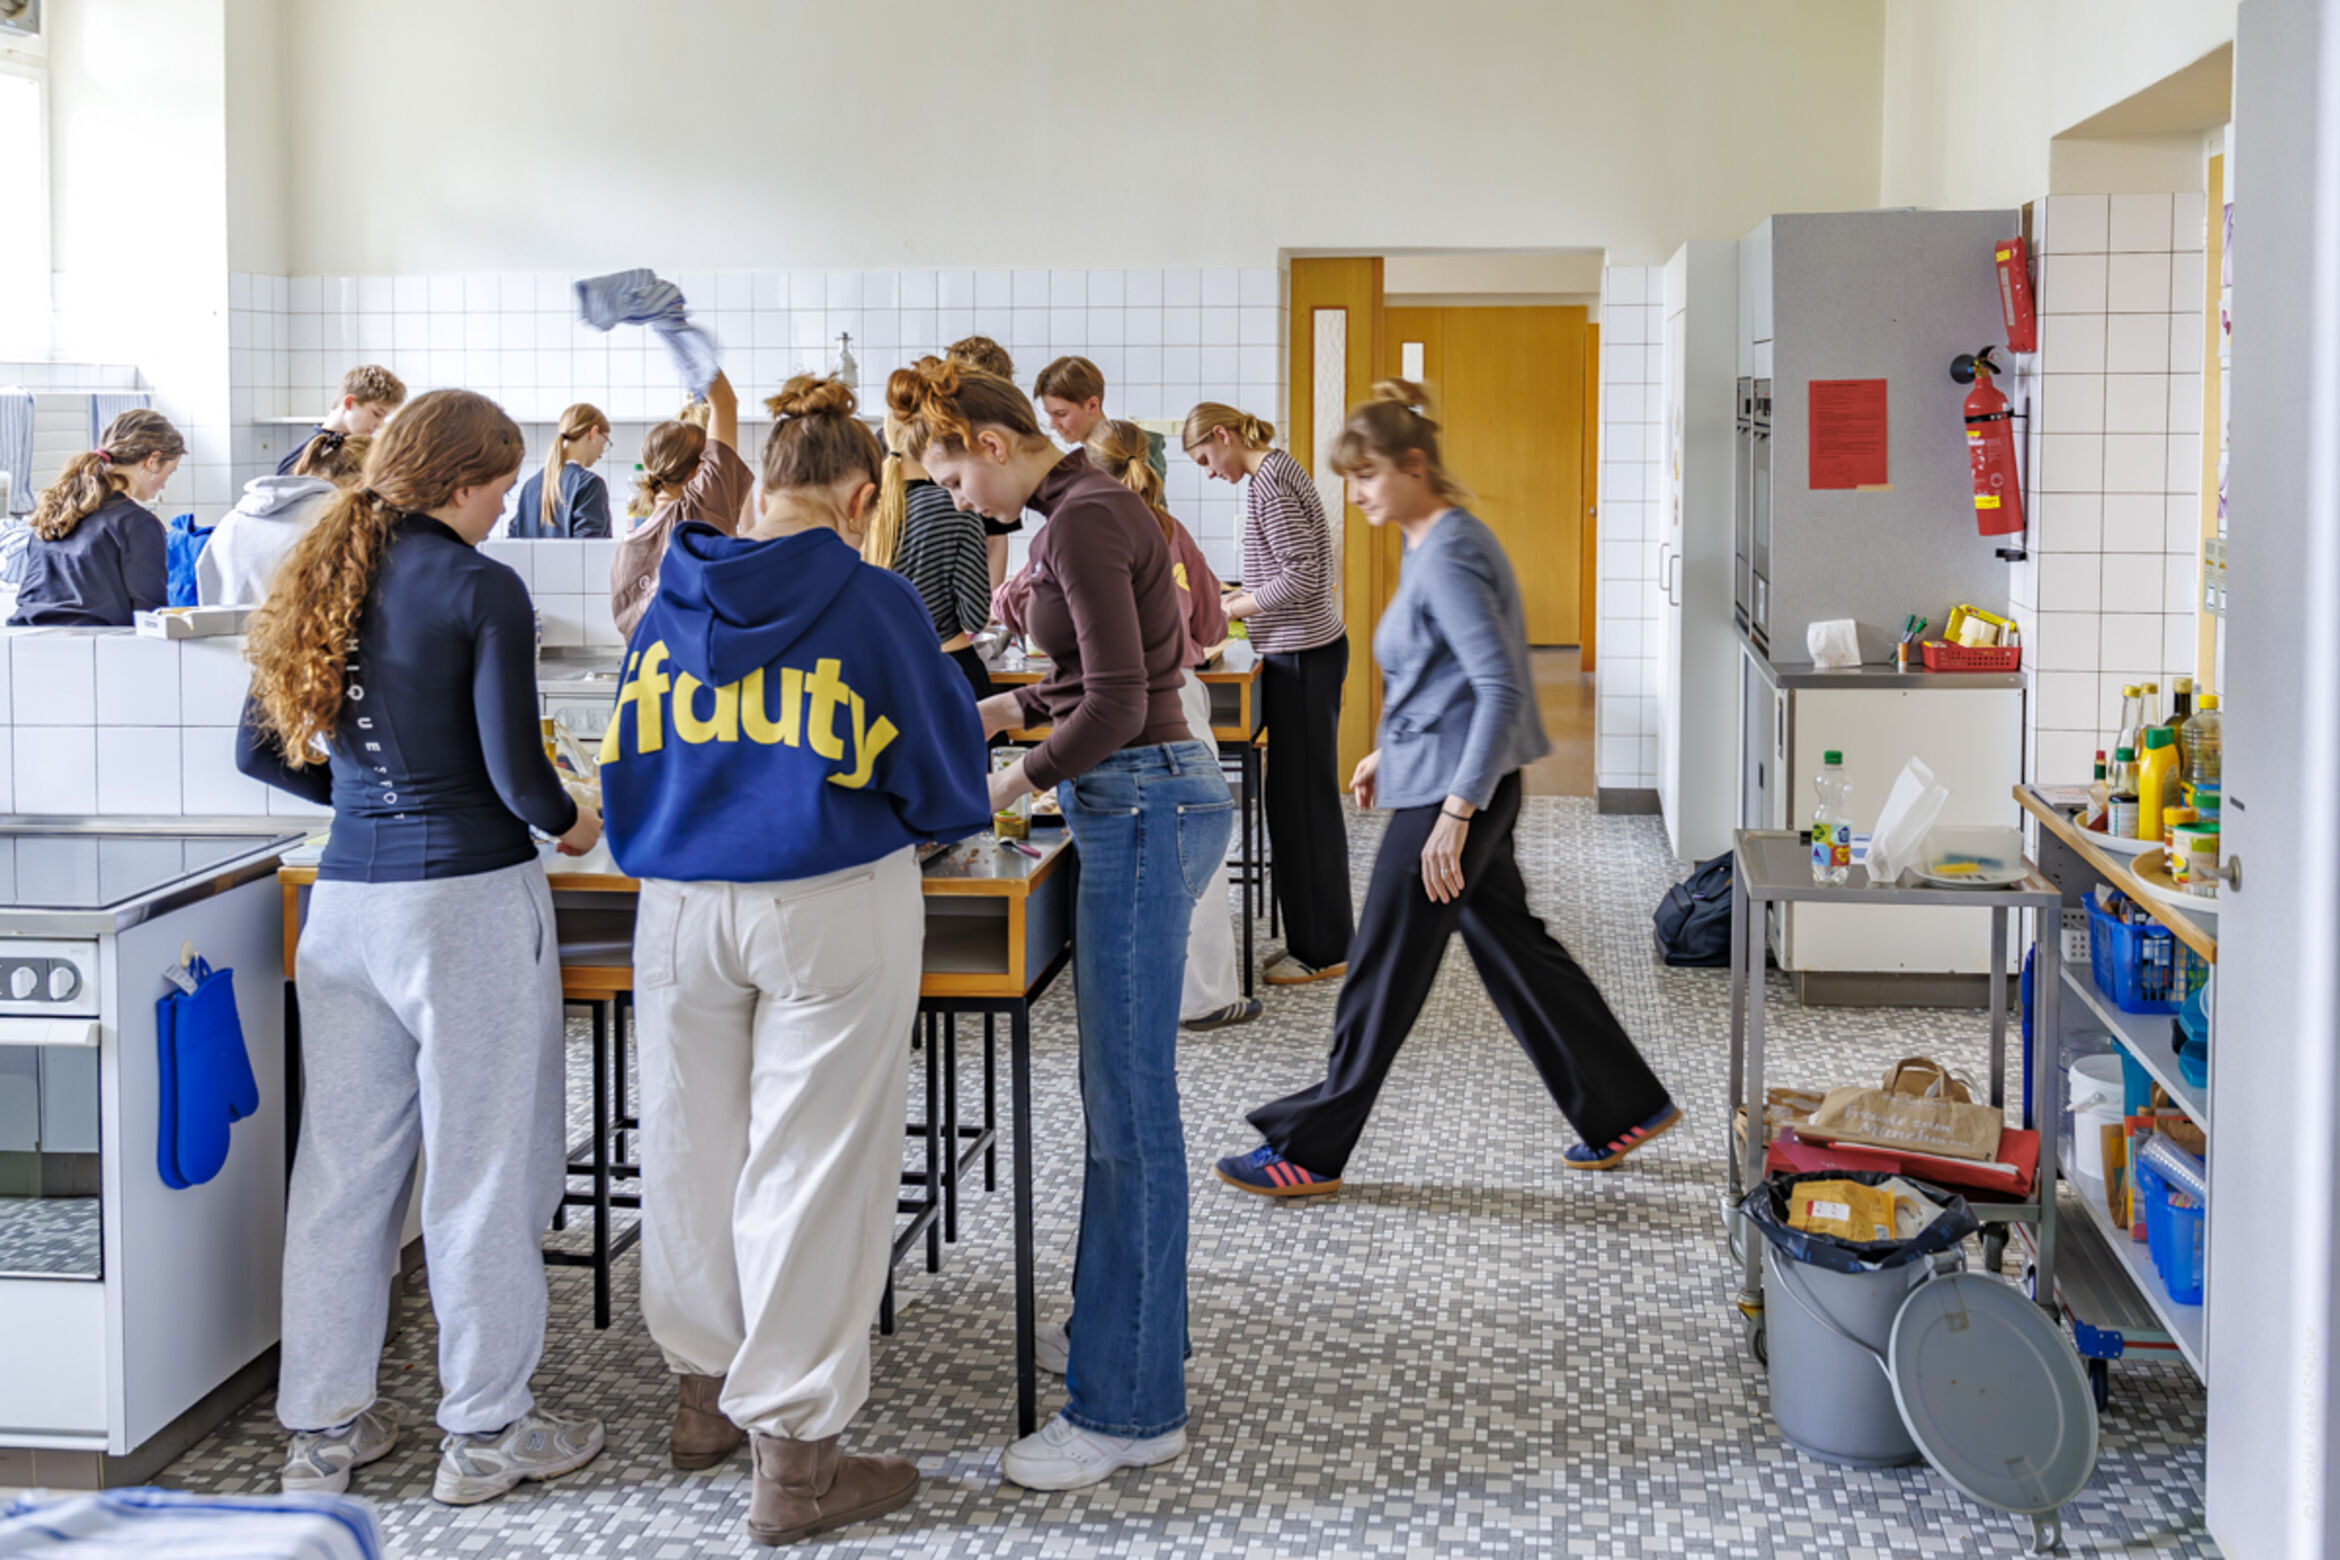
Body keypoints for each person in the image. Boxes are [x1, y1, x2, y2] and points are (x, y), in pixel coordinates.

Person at [600, 375, 989, 1546]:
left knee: (689, 1148)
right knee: (811, 1165)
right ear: (864, 498)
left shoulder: (669, 598)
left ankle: (701, 1401)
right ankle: (796, 1463)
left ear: (764, 485)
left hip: (678, 905)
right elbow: (946, 782)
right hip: (828, 896)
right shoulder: (874, 603)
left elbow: (627, 761)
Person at [236, 389, 607, 1506]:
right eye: (501, 487)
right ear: (459, 481)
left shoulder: (320, 570)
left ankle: (322, 1433)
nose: (503, 508)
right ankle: (486, 1432)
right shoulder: (481, 586)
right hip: (466, 909)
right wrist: (576, 821)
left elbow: (259, 751)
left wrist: (365, 801)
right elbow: (518, 776)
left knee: (343, 1175)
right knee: (484, 1170)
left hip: (346, 908)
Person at [889, 357, 1231, 1492]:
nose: (956, 502)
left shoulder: (1081, 516)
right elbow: (1115, 672)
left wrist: (1012, 780)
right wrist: (1009, 706)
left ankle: (1130, 1410)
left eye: (952, 479)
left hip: (1139, 799)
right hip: (1151, 793)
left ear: (990, 444)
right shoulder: (1086, 504)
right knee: (1124, 1099)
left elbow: (1123, 701)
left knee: (1128, 1109)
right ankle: (1134, 1340)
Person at [1217, 381, 1679, 1199]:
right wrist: (1387, 753)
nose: (1354, 495)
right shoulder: (1427, 538)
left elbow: (1499, 688)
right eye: (1349, 479)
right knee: (1516, 951)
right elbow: (1440, 677)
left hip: (1456, 794)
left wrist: (1455, 815)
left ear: (1413, 465)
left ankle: (1311, 1149)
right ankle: (1623, 1106)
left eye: (1366, 476)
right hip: (1453, 778)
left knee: (1381, 970)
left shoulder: (1453, 553)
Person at [1086, 418, 1253, 1032]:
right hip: (1173, 700)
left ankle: (1122, 996)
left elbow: (1015, 602)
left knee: (1113, 857)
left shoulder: (1071, 532)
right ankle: (1203, 997)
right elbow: (1210, 626)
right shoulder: (1169, 530)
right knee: (1192, 852)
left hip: (1095, 707)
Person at [1184, 403, 1353, 986]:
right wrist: (1237, 594)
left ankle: (1324, 950)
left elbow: (1302, 574)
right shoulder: (1274, 473)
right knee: (1297, 802)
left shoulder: (1271, 483)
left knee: (1302, 806)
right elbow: (1290, 567)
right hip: (1306, 651)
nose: (1211, 472)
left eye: (1206, 459)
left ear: (1224, 435)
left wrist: (1233, 607)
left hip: (1303, 655)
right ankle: (1319, 940)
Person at [9, 409, 183, 627]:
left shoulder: (55, 511)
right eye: (170, 471)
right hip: (94, 642)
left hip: (23, 638)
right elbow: (150, 616)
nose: (164, 484)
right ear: (153, 461)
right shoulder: (137, 523)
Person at [610, 369, 753, 637]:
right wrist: (693, 356)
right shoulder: (700, 510)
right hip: (699, 660)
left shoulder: (627, 549)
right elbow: (725, 402)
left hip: (647, 662)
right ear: (700, 472)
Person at [869, 412, 995, 706]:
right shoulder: (956, 507)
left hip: (883, 675)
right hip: (949, 670)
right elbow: (975, 617)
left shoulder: (865, 510)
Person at [196, 431, 370, 607]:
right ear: (361, 484)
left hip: (223, 625)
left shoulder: (234, 518)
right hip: (297, 624)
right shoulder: (337, 521)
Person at [947, 336, 1023, 591]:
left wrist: (992, 602)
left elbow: (996, 535)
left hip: (968, 586)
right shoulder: (923, 443)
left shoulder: (998, 447)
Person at [1036, 357, 1165, 474]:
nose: (1053, 425)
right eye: (1050, 415)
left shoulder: (1131, 453)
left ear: (1092, 405)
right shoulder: (1087, 460)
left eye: (1061, 414)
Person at [275, 365, 406, 475]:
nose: (380, 425)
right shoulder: (299, 460)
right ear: (349, 402)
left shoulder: (374, 455)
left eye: (384, 417)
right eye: (377, 414)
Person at [509, 402, 613, 538]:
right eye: (605, 442)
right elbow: (589, 546)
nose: (602, 452)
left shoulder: (530, 486)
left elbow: (514, 539)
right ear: (593, 433)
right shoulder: (589, 484)